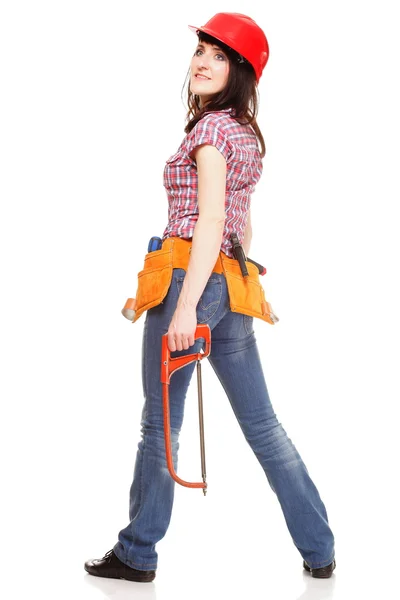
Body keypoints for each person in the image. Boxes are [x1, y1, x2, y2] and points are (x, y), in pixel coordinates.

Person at [84, 12, 336, 583]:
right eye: (202, 48)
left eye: (219, 55)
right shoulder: (244, 132)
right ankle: (320, 550)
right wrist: (219, 286)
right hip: (232, 285)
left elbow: (211, 220)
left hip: (190, 281)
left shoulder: (209, 133)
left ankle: (137, 553)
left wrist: (185, 306)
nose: (202, 60)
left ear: (241, 71)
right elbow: (240, 230)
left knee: (160, 424)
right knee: (264, 427)